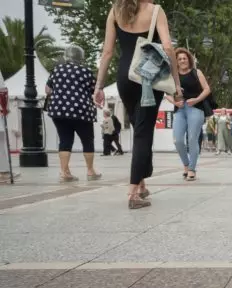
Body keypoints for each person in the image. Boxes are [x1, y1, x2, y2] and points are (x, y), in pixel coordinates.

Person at [94, 0, 181, 209]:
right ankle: (132, 193)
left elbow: (107, 52)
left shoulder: (115, 11)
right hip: (147, 76)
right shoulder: (156, 11)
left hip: (125, 76)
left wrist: (99, 86)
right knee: (143, 133)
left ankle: (142, 185)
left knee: (138, 127)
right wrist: (176, 83)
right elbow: (168, 48)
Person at [46, 45, 102, 183]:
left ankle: (65, 172)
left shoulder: (57, 70)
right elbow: (94, 92)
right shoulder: (86, 72)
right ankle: (90, 171)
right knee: (87, 140)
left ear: (66, 56)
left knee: (65, 140)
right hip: (81, 111)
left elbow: (48, 90)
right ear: (81, 57)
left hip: (59, 110)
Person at [165, 48, 210, 181]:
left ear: (189, 59)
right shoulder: (173, 76)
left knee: (192, 139)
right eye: (179, 59)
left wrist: (196, 100)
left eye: (184, 58)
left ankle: (191, 169)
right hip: (179, 109)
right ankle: (186, 164)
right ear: (176, 62)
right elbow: (166, 93)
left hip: (196, 108)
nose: (182, 61)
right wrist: (174, 101)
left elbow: (207, 89)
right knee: (177, 140)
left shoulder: (197, 72)